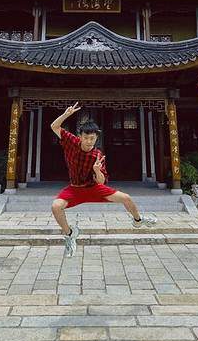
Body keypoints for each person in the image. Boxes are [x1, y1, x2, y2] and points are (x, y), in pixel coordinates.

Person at [50, 102, 157, 257]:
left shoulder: (97, 155)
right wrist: (66, 115)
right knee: (55, 206)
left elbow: (101, 182)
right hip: (75, 188)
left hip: (93, 188)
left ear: (96, 138)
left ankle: (138, 220)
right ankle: (70, 234)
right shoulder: (71, 141)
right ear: (80, 136)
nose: (89, 141)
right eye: (86, 138)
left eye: (92, 138)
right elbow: (54, 126)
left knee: (126, 198)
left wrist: (97, 170)